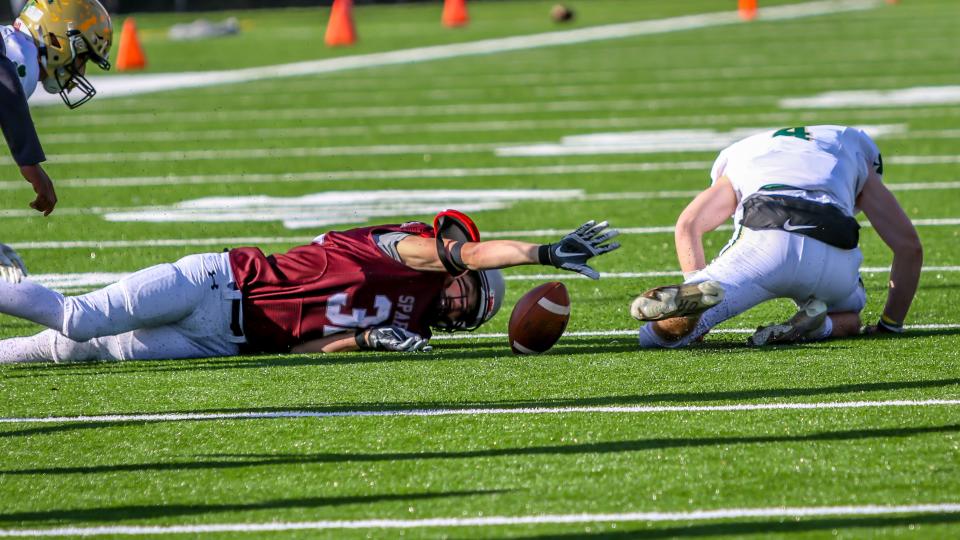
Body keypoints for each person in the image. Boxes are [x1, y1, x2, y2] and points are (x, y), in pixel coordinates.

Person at [0, 214, 620, 363]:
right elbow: (468, 251)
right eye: (468, 289)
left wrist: (366, 340)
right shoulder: (402, 249)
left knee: (80, 350)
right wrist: (543, 253)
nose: (460, 303)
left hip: (227, 344)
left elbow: (307, 348)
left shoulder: (415, 324)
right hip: (216, 286)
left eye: (470, 313)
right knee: (78, 318)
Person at [630, 125, 922, 348]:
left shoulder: (743, 153)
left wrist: (697, 283)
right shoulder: (852, 145)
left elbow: (689, 224)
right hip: (833, 248)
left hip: (766, 239)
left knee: (655, 337)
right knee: (850, 320)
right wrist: (890, 325)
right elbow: (908, 247)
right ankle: (814, 327)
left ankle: (693, 308)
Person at [1, 0, 113, 217]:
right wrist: (30, 162)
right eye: (83, 57)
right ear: (59, 40)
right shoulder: (19, 59)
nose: (81, 71)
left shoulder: (13, 49)